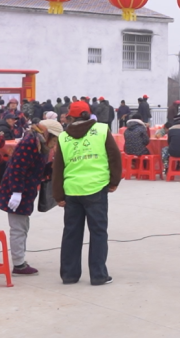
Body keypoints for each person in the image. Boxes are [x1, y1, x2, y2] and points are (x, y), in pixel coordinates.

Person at [52, 100, 121, 285]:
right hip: (96, 188)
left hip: (72, 190)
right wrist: (114, 181)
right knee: (98, 232)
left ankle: (69, 275)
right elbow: (114, 156)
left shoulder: (63, 137)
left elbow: (58, 168)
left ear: (71, 117)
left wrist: (58, 195)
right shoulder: (101, 130)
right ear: (88, 114)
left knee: (71, 233)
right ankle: (98, 275)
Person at [0, 122, 54, 276]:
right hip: (17, 191)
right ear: (48, 134)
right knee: (18, 228)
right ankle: (19, 265)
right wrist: (16, 192)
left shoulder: (39, 144)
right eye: (55, 139)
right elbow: (17, 168)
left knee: (22, 226)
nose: (55, 143)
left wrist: (50, 168)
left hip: (26, 191)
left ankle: (20, 260)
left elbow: (35, 169)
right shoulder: (30, 143)